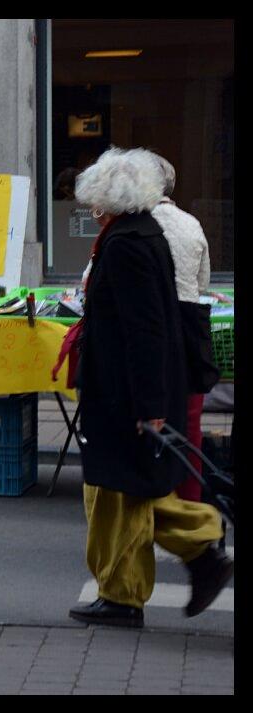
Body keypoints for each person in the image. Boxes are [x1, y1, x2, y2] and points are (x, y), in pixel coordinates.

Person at [67, 147, 233, 629]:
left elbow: (146, 331)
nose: (89, 208)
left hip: (124, 396)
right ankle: (176, 568)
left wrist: (150, 406)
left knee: (123, 495)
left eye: (93, 199)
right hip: (127, 393)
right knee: (126, 492)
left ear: (108, 198)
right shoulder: (138, 235)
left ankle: (143, 585)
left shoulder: (126, 244)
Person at [148, 154, 212, 503]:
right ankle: (189, 504)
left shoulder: (131, 226)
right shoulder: (191, 224)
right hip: (189, 327)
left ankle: (155, 505)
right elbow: (202, 281)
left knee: (150, 421)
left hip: (153, 329)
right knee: (189, 424)